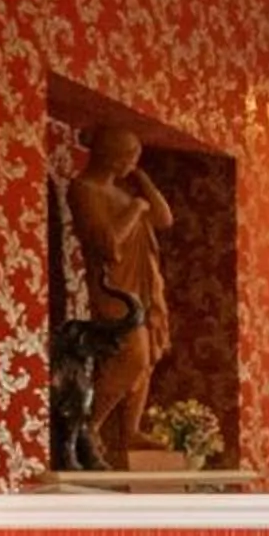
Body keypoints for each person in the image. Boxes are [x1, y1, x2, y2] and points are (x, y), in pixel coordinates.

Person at [65, 124, 173, 453]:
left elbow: (165, 219)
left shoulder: (123, 192)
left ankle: (130, 430)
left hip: (143, 284)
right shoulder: (84, 189)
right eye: (131, 158)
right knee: (132, 357)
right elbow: (108, 243)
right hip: (114, 287)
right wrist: (136, 208)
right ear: (113, 158)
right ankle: (88, 427)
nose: (133, 163)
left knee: (148, 355)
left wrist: (142, 181)